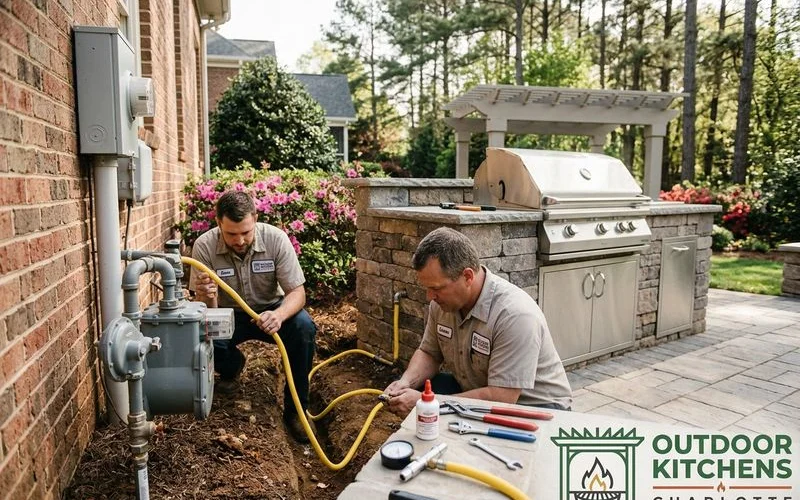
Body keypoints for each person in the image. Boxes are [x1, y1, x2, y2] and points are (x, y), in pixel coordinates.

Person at [385, 227, 572, 415]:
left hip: (539, 409)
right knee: (428, 389)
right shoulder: (442, 305)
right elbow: (430, 353)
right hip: (483, 390)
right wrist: (405, 382)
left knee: (428, 405)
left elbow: (502, 398)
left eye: (436, 288)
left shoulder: (515, 316)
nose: (429, 296)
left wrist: (427, 403)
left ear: (467, 276)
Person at [189, 191, 317, 443]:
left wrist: (279, 315)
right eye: (231, 234)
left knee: (303, 328)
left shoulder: (276, 239)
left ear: (255, 219)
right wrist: (208, 297)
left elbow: (297, 293)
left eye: (246, 232)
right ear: (218, 224)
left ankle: (297, 412)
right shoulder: (203, 246)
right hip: (227, 314)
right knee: (202, 335)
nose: (239, 240)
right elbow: (206, 310)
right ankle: (232, 366)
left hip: (272, 310)